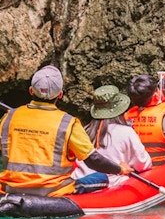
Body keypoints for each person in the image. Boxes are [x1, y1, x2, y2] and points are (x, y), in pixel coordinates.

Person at [0, 66, 133, 197]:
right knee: (101, 177)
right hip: (53, 191)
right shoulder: (69, 123)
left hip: (10, 188)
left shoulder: (8, 117)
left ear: (31, 90)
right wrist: (119, 169)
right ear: (60, 94)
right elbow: (93, 160)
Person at [72, 85, 152, 191]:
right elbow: (144, 165)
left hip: (80, 183)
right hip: (109, 187)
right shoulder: (126, 132)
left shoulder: (84, 131)